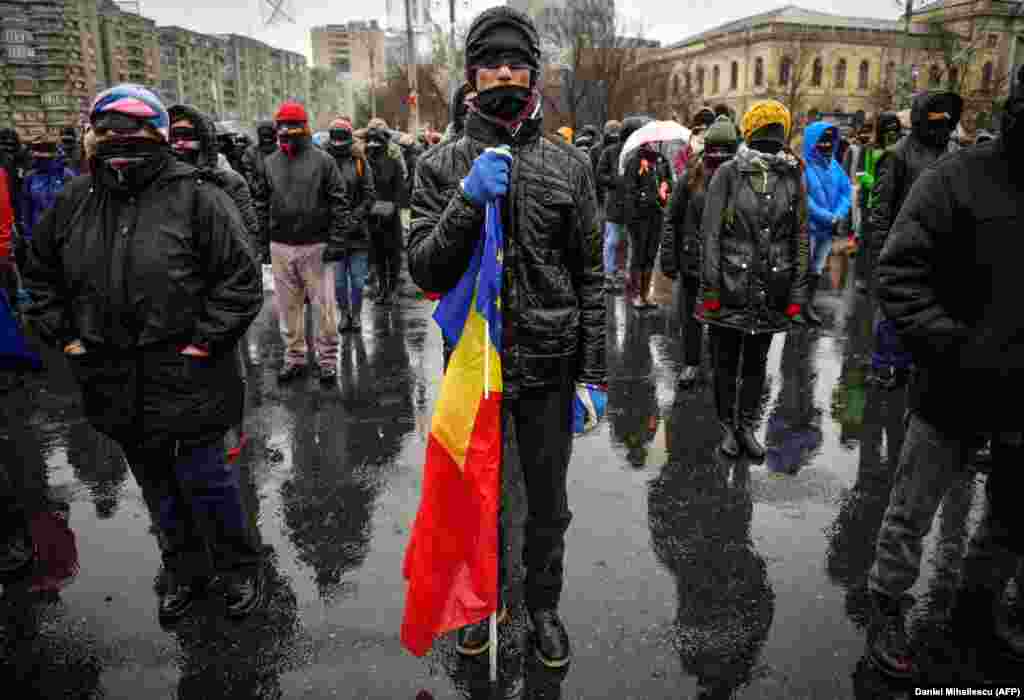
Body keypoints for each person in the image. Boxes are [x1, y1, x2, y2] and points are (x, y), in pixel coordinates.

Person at [408, 4, 606, 676]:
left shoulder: (569, 166)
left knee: (547, 503)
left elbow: (591, 277)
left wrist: (596, 375)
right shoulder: (438, 166)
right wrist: (467, 198)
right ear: (471, 76)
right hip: (476, 370)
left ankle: (542, 605)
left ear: (534, 75)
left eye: (516, 63)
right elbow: (424, 269)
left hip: (549, 368)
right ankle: (482, 603)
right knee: (479, 502)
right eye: (491, 63)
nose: (504, 74)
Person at [22, 83, 265, 625]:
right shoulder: (74, 201)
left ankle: (239, 568)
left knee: (209, 481)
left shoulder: (200, 196)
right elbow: (39, 276)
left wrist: (203, 343)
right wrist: (68, 338)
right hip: (112, 375)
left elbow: (241, 281)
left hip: (192, 371)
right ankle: (183, 571)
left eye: (132, 128)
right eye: (106, 129)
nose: (118, 140)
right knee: (157, 485)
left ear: (157, 133)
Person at [863, 68, 1024, 679]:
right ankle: (887, 605)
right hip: (951, 385)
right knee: (913, 508)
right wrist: (951, 344)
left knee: (1010, 514)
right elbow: (898, 268)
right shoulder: (953, 178)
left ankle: (977, 610)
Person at [699, 100, 809, 460]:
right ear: (750, 132)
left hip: (771, 287)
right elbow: (711, 235)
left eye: (779, 130)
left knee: (757, 363)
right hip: (730, 285)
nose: (774, 139)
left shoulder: (792, 176)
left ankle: (746, 424)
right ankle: (726, 427)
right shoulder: (728, 174)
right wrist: (712, 288)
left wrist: (797, 294)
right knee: (725, 361)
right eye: (767, 130)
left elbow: (799, 237)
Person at [868, 90, 961, 390]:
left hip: (939, 249)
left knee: (926, 310)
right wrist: (882, 251)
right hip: (899, 246)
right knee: (890, 308)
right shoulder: (896, 154)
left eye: (946, 121)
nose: (941, 127)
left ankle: (908, 365)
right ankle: (882, 365)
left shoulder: (953, 152)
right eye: (934, 119)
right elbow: (880, 208)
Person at [251, 101, 349, 384]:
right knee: (288, 308)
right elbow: (260, 201)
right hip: (281, 245)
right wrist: (264, 241)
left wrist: (336, 240)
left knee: (325, 309)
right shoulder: (270, 163)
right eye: (282, 126)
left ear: (304, 127)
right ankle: (294, 358)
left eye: (293, 126)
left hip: (316, 246)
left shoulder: (323, 161)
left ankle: (327, 360)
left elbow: (338, 203)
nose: (286, 131)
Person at [662, 115, 738, 389]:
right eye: (714, 148)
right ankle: (691, 363)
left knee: (723, 317)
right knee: (691, 317)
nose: (718, 155)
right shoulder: (690, 176)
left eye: (725, 149)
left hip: (727, 263)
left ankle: (720, 365)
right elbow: (672, 218)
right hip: (692, 261)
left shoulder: (740, 177)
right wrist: (669, 258)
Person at [168, 104, 261, 256]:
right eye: (173, 136)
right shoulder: (158, 184)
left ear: (203, 138)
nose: (179, 143)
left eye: (187, 135)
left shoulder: (230, 182)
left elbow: (249, 232)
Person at [323, 118, 376, 332]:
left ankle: (356, 315)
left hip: (358, 231)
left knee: (357, 280)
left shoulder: (360, 160)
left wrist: (355, 218)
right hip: (334, 233)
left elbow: (370, 194)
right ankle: (344, 314)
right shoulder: (323, 161)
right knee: (338, 283)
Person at [802, 121, 852, 326]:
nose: (826, 145)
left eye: (829, 141)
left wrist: (838, 215)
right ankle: (796, 306)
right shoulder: (803, 167)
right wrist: (827, 217)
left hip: (827, 230)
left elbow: (846, 191)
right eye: (821, 141)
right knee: (803, 269)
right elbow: (805, 200)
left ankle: (807, 305)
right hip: (809, 230)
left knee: (816, 268)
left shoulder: (835, 166)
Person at [853, 112, 901, 295]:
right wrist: (878, 184)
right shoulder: (869, 149)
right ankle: (862, 278)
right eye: (889, 130)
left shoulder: (900, 149)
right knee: (867, 241)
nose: (893, 133)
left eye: (896, 130)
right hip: (871, 203)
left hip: (891, 203)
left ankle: (880, 278)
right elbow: (860, 175)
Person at [623, 138, 672, 310]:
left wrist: (665, 190)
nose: (653, 144)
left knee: (651, 254)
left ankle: (645, 294)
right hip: (639, 217)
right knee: (639, 255)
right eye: (649, 142)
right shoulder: (634, 162)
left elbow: (668, 181)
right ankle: (635, 294)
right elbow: (629, 191)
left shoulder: (662, 160)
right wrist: (632, 216)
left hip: (657, 214)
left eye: (655, 142)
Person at [17, 135, 78, 275]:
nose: (41, 160)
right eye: (38, 157)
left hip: (63, 236)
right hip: (37, 236)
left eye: (45, 158)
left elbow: (76, 206)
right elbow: (26, 207)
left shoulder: (67, 176)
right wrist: (27, 235)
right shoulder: (30, 177)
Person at [364, 125, 405, 306]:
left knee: (393, 255)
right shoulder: (365, 164)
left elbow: (400, 189)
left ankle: (393, 288)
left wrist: (393, 207)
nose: (373, 145)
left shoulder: (393, 163)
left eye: (377, 141)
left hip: (391, 216)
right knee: (378, 255)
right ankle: (382, 289)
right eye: (370, 141)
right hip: (373, 217)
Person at [596, 119, 629, 293]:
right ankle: (609, 273)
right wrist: (616, 181)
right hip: (614, 202)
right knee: (612, 240)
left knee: (624, 241)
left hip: (629, 203)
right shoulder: (608, 152)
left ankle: (621, 272)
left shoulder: (630, 152)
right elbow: (600, 175)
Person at [240, 121, 277, 198]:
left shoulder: (282, 152)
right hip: (258, 197)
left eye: (270, 135)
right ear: (259, 135)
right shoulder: (251, 152)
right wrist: (257, 189)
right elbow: (247, 173)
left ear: (275, 135)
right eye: (264, 135)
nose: (267, 139)